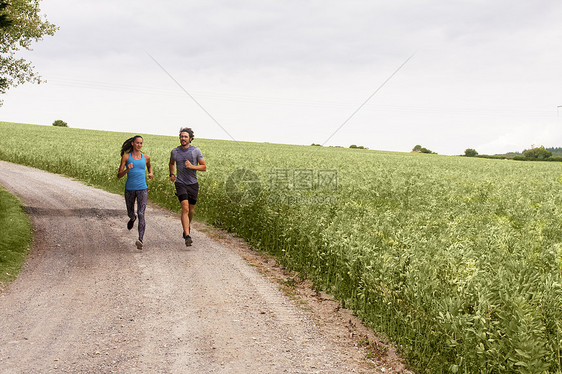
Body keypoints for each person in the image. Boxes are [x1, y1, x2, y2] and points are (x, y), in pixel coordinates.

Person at [169, 127, 206, 246]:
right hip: (180, 183)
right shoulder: (175, 151)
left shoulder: (196, 151)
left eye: (185, 137)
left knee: (191, 210)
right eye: (181, 136)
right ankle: (187, 235)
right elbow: (171, 163)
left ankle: (187, 227)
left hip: (193, 184)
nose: (183, 138)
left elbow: (204, 167)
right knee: (185, 208)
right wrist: (172, 174)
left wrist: (192, 166)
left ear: (190, 138)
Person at [117, 135, 153, 249]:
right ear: (132, 143)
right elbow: (119, 175)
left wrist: (151, 173)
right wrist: (127, 170)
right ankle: (132, 218)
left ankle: (140, 239)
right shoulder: (126, 157)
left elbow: (149, 167)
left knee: (141, 213)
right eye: (137, 143)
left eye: (141, 143)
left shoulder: (146, 157)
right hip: (130, 189)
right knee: (130, 212)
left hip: (142, 188)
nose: (139, 145)